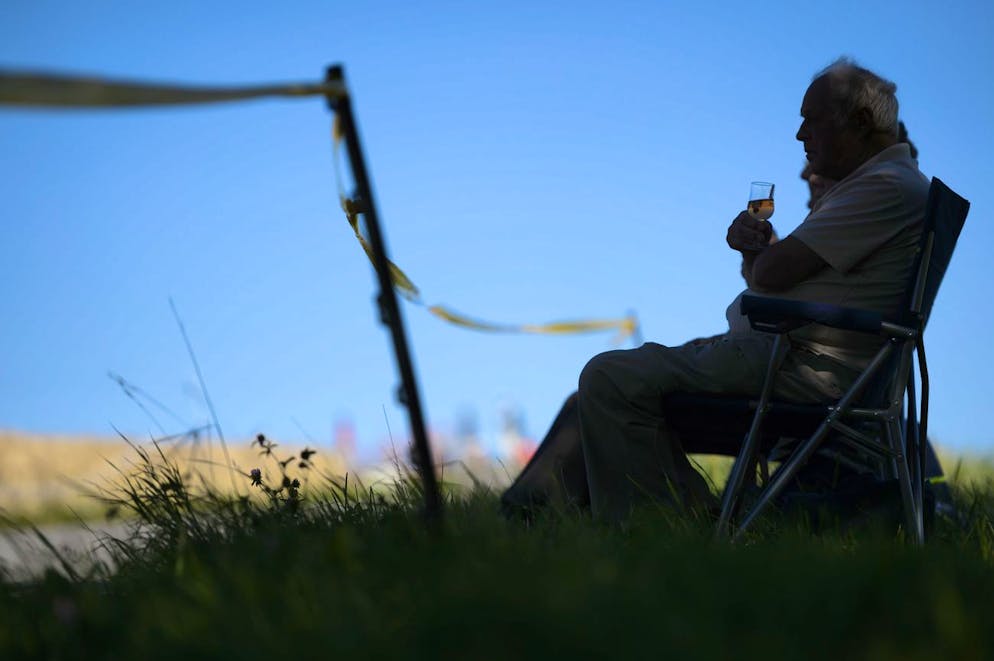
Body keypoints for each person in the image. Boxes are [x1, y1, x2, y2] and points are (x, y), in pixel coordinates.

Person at [503, 58, 931, 522]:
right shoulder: (875, 187)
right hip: (789, 355)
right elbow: (773, 276)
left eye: (812, 120)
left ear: (862, 123)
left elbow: (772, 275)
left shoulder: (883, 187)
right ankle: (686, 517)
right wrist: (759, 251)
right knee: (614, 387)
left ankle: (664, 528)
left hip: (796, 366)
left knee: (609, 379)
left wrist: (762, 252)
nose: (800, 134)